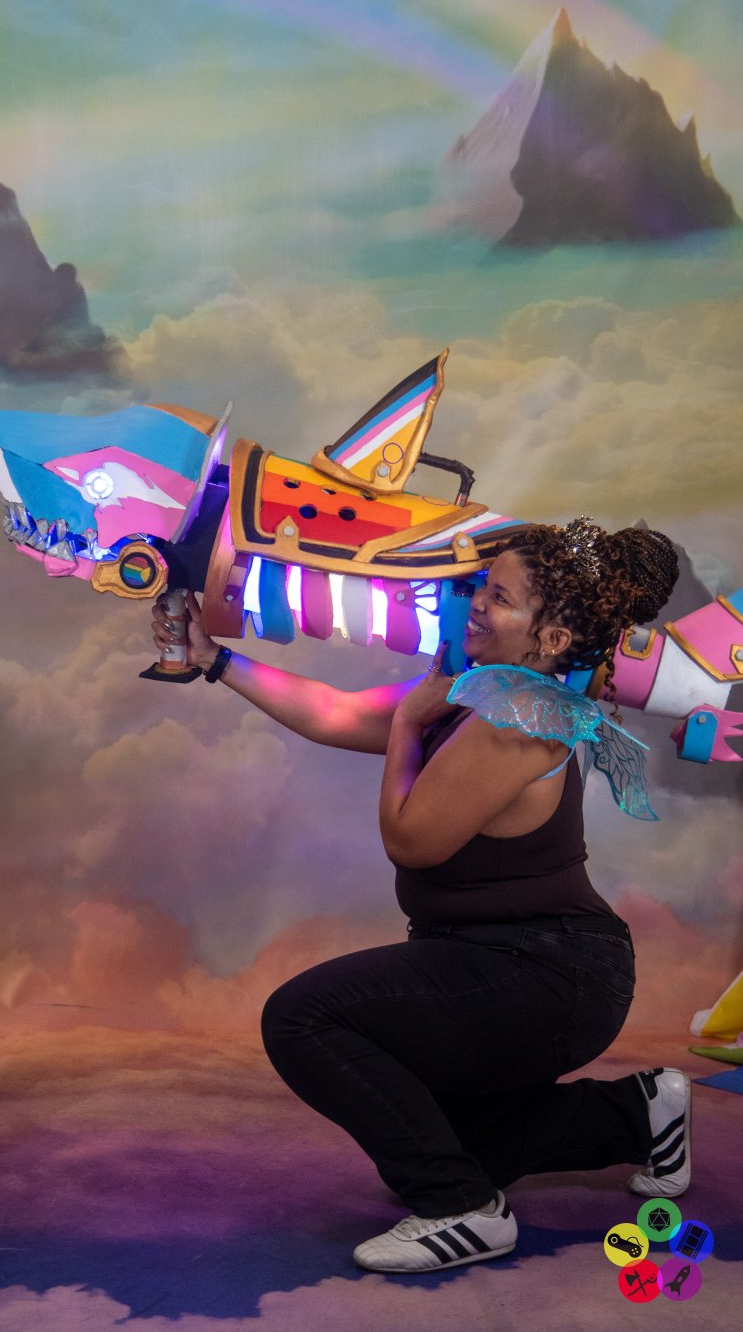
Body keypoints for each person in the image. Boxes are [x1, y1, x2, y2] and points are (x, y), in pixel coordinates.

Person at [152, 520, 686, 1272]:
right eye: (481, 587)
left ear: (552, 637)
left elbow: (410, 841)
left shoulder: (519, 720)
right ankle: (639, 1113)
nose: (475, 604)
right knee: (459, 1140)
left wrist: (408, 722)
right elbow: (337, 713)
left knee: (304, 1019)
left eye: (499, 598)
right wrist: (216, 660)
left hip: (548, 974)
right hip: (496, 961)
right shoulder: (478, 689)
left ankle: (462, 1211)